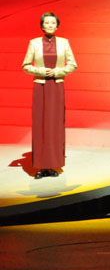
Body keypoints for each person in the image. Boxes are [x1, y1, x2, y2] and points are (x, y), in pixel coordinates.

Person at [22, 12, 77, 179]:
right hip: (40, 86)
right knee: (40, 124)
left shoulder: (64, 42)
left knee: (55, 125)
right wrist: (40, 71)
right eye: (47, 23)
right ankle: (40, 166)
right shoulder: (34, 43)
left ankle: (53, 164)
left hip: (57, 86)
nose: (50, 25)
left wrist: (57, 71)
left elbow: (73, 64)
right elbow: (25, 65)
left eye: (53, 23)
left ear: (57, 26)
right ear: (42, 26)